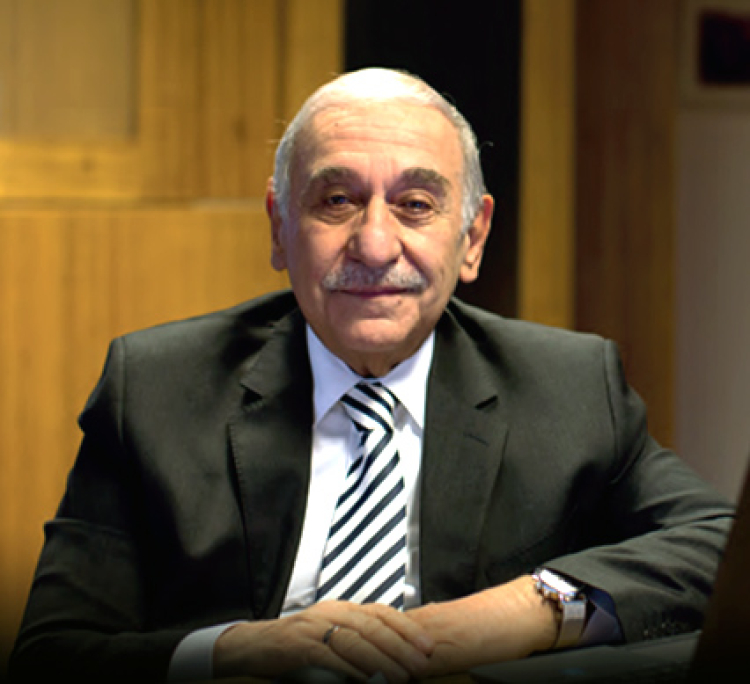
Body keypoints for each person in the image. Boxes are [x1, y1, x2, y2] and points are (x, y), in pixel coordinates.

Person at [10, 68, 733, 683]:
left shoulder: (570, 386)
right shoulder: (157, 388)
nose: (376, 243)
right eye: (337, 201)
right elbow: (53, 653)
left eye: (416, 205)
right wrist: (238, 650)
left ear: (472, 236)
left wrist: (519, 611)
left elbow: (718, 544)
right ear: (278, 227)